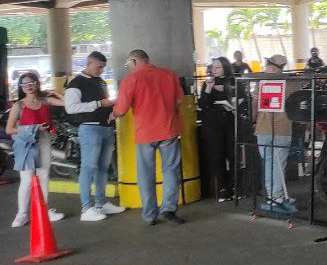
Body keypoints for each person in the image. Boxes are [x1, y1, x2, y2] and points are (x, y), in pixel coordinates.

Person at [113, 49, 187, 226]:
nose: (128, 68)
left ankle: (149, 215)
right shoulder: (169, 75)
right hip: (169, 130)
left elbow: (121, 110)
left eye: (128, 64)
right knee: (171, 170)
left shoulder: (130, 80)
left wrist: (112, 114)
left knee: (146, 173)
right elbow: (179, 101)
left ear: (134, 61)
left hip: (145, 133)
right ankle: (168, 209)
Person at [63, 50, 125, 221]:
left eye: (103, 68)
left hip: (105, 127)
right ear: (89, 63)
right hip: (89, 128)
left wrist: (111, 110)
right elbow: (71, 107)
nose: (101, 70)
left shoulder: (101, 82)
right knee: (89, 167)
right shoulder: (76, 83)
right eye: (99, 67)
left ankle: (101, 202)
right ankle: (87, 208)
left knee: (103, 168)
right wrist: (98, 104)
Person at [5, 72, 65, 228]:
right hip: (26, 144)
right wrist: (33, 128)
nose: (28, 86)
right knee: (26, 180)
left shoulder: (45, 100)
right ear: (21, 87)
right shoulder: (18, 105)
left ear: (37, 83)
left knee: (44, 176)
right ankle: (22, 214)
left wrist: (56, 92)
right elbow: (9, 129)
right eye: (24, 84)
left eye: (31, 82)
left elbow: (67, 103)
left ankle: (44, 210)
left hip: (44, 141)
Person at [253, 54, 296, 215]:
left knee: (269, 163)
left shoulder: (261, 82)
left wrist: (252, 121)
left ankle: (272, 196)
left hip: (263, 129)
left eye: (267, 64)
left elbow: (255, 104)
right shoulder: (291, 83)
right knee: (279, 165)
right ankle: (276, 197)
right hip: (282, 129)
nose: (265, 66)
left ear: (272, 66)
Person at [198, 56, 238, 202]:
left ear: (225, 68)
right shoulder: (207, 83)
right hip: (212, 124)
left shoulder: (233, 82)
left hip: (229, 122)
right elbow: (202, 104)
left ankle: (234, 187)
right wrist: (208, 88)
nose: (214, 70)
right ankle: (222, 188)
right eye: (213, 67)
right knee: (217, 156)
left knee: (232, 154)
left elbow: (239, 100)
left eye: (218, 67)